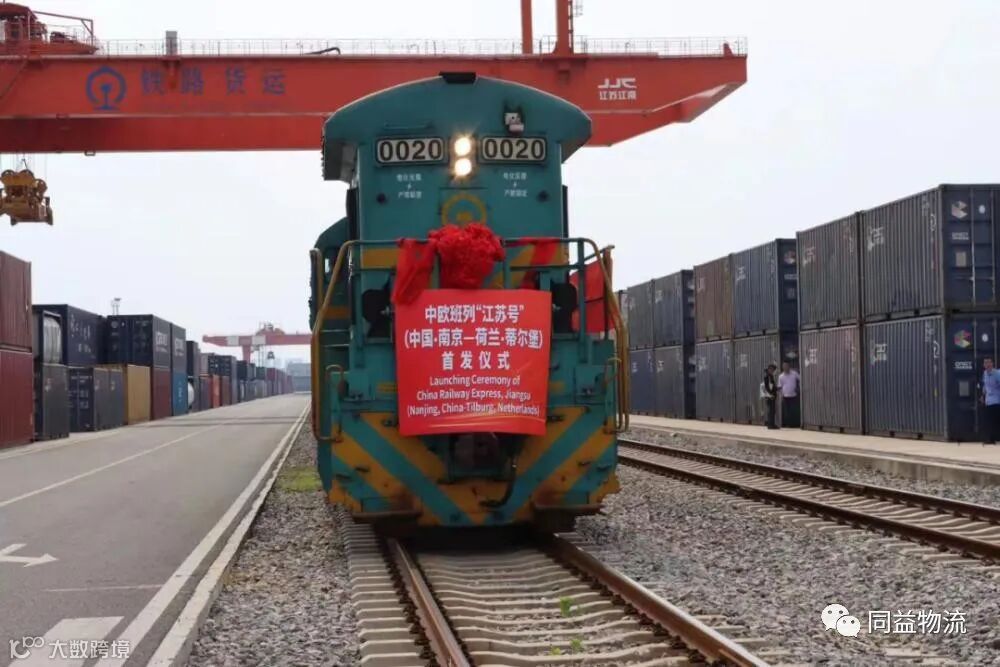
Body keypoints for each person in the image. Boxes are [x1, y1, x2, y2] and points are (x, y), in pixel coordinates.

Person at [981, 357, 1000, 444]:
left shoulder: (997, 373)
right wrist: (983, 395)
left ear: (992, 364)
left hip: (997, 400)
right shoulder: (985, 373)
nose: (987, 364)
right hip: (989, 401)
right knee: (989, 421)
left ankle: (992, 438)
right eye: (985, 363)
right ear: (983, 365)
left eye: (989, 362)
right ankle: (991, 439)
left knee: (994, 421)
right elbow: (985, 385)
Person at [777, 361, 801, 428]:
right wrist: (781, 395)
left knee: (793, 410)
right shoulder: (781, 376)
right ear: (782, 367)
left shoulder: (794, 373)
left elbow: (800, 379)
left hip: (793, 395)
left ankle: (795, 424)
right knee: (787, 411)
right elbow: (779, 386)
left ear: (789, 366)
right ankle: (788, 424)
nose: (785, 367)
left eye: (786, 366)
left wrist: (798, 387)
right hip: (785, 396)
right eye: (784, 366)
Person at [761, 364, 778, 429]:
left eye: (773, 369)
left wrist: (776, 388)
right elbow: (767, 387)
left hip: (772, 395)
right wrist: (770, 395)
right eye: (771, 369)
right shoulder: (767, 377)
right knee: (771, 411)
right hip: (770, 396)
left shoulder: (770, 376)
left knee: (772, 411)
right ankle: (770, 425)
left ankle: (772, 424)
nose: (772, 370)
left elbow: (772, 386)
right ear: (768, 369)